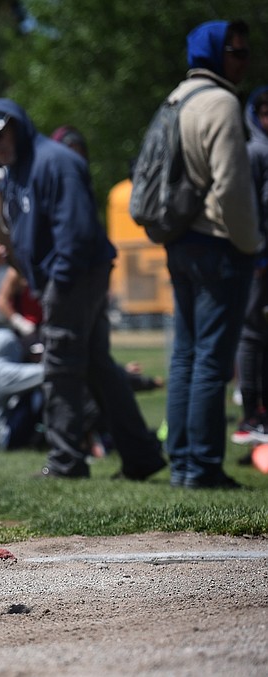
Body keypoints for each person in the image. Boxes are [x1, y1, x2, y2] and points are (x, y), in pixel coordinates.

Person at [0, 99, 166, 481]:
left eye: (1, 135)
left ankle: (65, 462)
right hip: (65, 277)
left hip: (73, 277)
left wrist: (58, 283)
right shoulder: (16, 171)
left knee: (60, 368)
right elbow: (31, 233)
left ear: (18, 126)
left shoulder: (55, 162)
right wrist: (10, 251)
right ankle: (141, 455)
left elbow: (74, 233)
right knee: (99, 369)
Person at [161, 20, 259, 489]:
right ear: (215, 55)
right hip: (218, 243)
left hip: (180, 240)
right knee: (212, 362)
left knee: (185, 356)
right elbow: (233, 187)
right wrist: (251, 244)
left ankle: (181, 460)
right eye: (236, 53)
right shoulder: (221, 102)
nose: (244, 60)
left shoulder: (177, 98)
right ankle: (201, 467)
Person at [233, 86, 268, 456]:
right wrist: (256, 255)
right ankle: (250, 414)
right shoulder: (254, 151)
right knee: (253, 334)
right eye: (264, 112)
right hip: (260, 262)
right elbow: (248, 207)